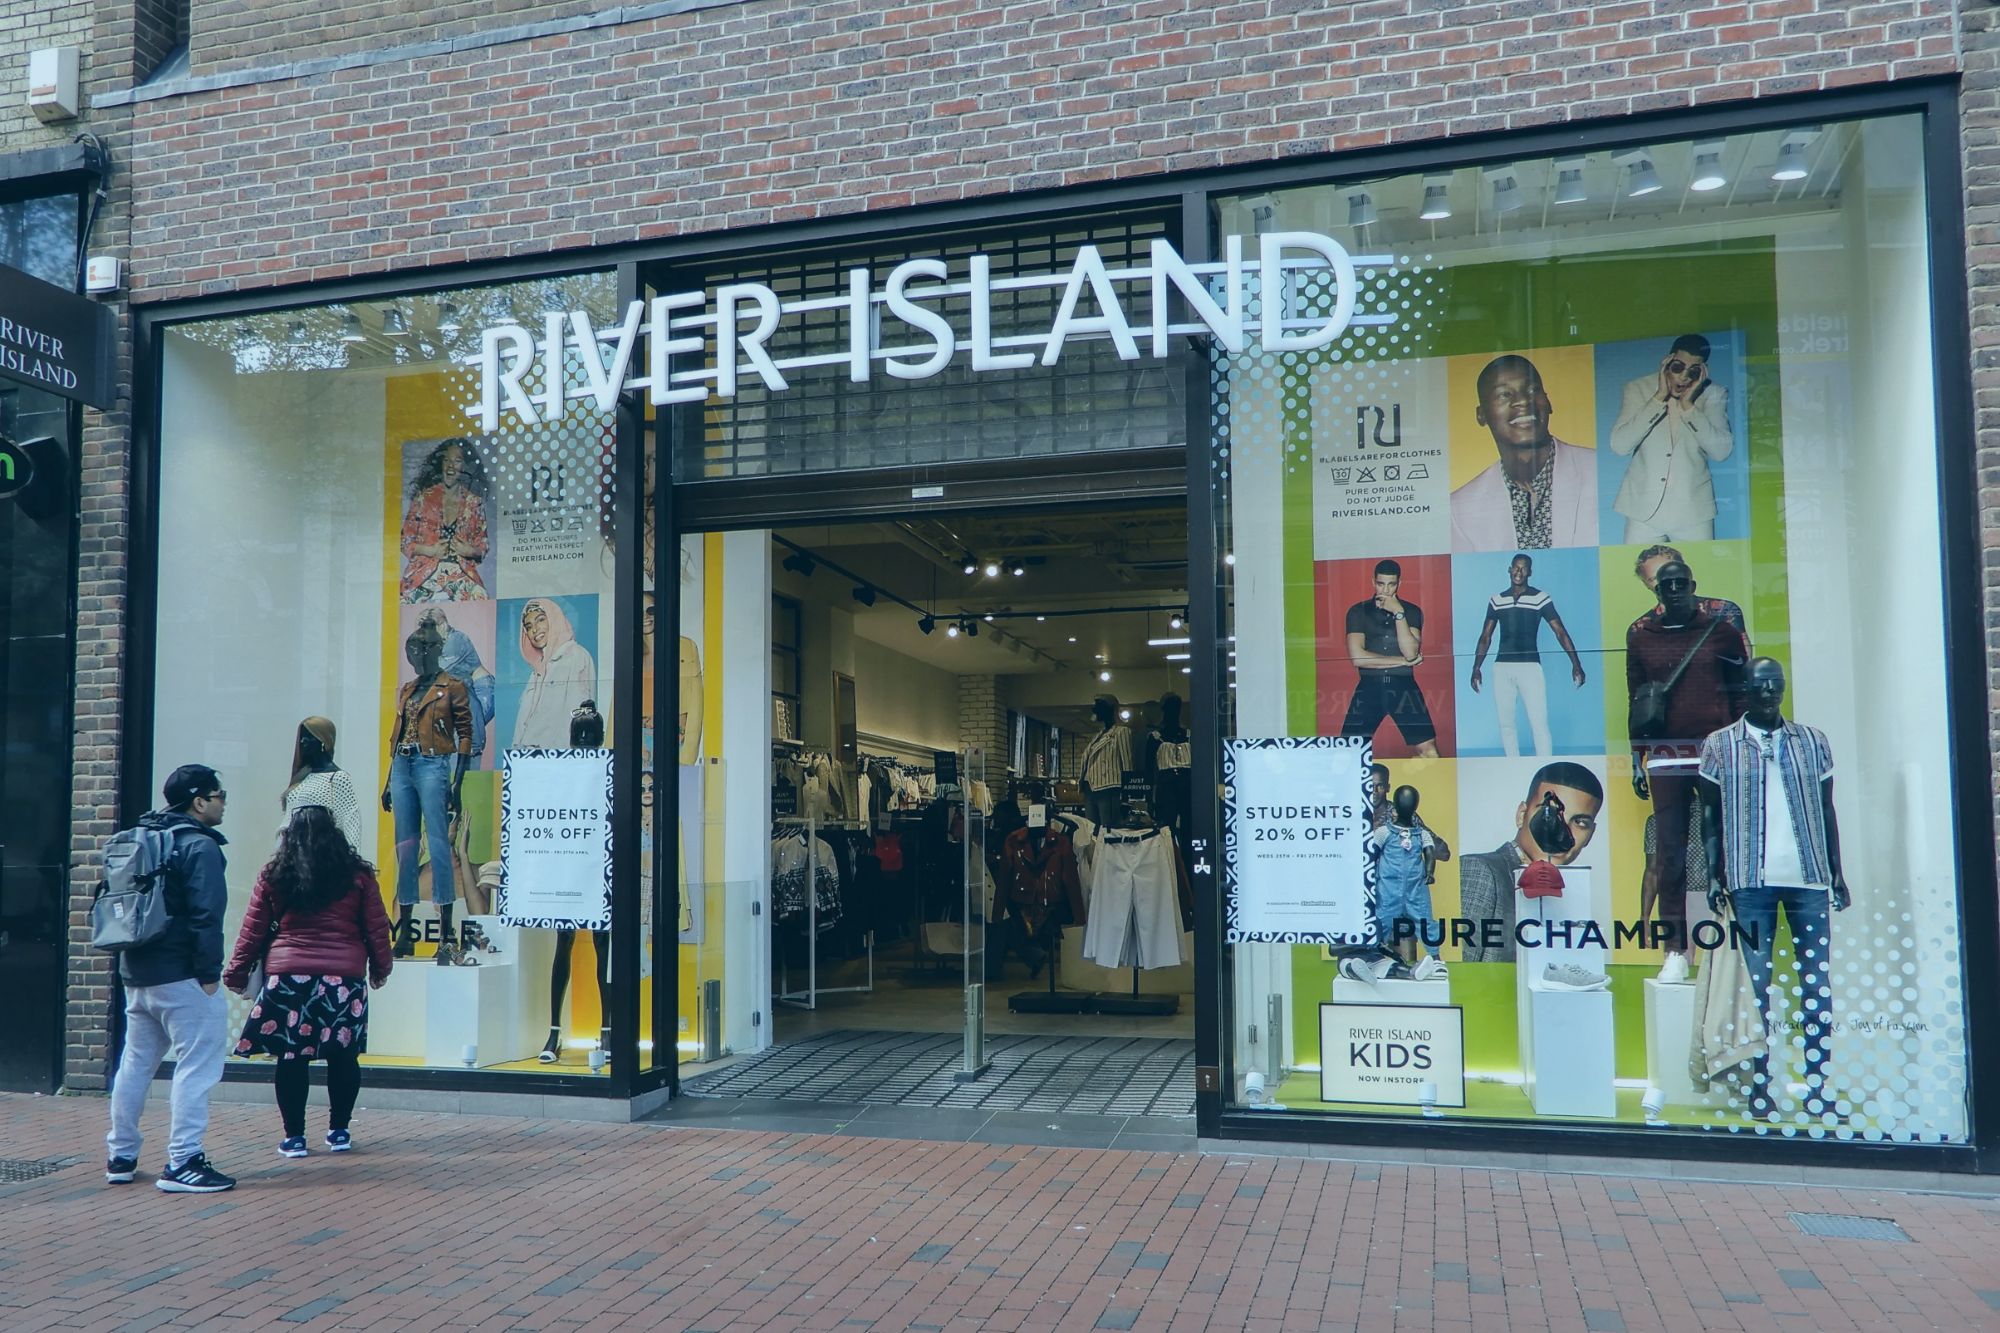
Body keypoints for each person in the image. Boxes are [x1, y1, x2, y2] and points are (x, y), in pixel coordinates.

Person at [1697, 657, 1847, 1120]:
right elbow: (1709, 818)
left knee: (1816, 986)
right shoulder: (1719, 745)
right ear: (1744, 689)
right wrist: (1716, 875)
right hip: (1749, 883)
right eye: (1760, 686)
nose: (1768, 694)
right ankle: (1761, 1086)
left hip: (1809, 880)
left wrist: (1837, 873)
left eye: (1774, 686)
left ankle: (1818, 1086)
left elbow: (1827, 810)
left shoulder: (1811, 742)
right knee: (1755, 989)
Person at [224, 804, 394, 1158]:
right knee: (344, 1057)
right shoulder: (357, 875)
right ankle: (339, 1130)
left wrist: (236, 973)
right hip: (343, 980)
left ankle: (295, 1137)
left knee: (291, 1056)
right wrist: (381, 968)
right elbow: (376, 928)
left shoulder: (275, 874)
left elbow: (252, 930)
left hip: (288, 978)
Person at [104, 764, 236, 1194]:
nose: (223, 803)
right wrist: (209, 975)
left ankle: (121, 1155)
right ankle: (183, 1161)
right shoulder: (199, 847)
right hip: (183, 976)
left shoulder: (141, 838)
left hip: (137, 972)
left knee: (135, 1064)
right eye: (219, 796)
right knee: (196, 1068)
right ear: (199, 801)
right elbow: (206, 915)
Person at [1627, 560, 1750, 982]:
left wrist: (1742, 751)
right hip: (1665, 754)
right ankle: (1676, 950)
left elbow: (1741, 697)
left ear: (1694, 586)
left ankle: (1730, 935)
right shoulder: (1641, 636)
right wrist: (1636, 756)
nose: (1675, 590)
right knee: (1670, 854)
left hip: (1716, 752)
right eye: (1667, 585)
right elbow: (1637, 698)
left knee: (1726, 847)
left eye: (1682, 583)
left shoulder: (1722, 633)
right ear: (1657, 592)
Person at [1457, 761, 1604, 964]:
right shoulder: (1480, 871)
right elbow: (1461, 975)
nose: (1560, 831)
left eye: (1579, 822)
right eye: (1549, 813)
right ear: (1521, 815)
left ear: (1590, 835)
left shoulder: (1569, 897)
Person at [1450, 355, 1598, 550]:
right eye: (1504, 394)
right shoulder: (1459, 507)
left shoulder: (1597, 470)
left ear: (1548, 402)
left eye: (1532, 390)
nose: (1522, 401)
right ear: (1482, 414)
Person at [1607, 334, 1733, 543]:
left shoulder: (1714, 394)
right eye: (1678, 367)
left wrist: (1689, 407)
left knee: (1701, 571)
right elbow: (1620, 446)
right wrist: (1658, 398)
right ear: (1667, 361)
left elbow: (1721, 452)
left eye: (1693, 371)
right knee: (1634, 571)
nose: (1684, 377)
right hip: (1642, 510)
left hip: (1693, 511)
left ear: (1702, 371)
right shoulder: (1638, 389)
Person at [1468, 554, 1587, 758]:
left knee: (1538, 722)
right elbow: (1485, 636)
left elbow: (1560, 632)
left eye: (1523, 569)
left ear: (1530, 572)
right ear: (1509, 569)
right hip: (1502, 668)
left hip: (1530, 667)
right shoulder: (1497, 600)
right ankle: (1512, 765)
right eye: (1516, 568)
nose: (1519, 572)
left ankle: (1544, 765)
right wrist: (1476, 668)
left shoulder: (1540, 598)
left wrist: (1576, 664)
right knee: (1506, 723)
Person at [1340, 560, 1439, 758]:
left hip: (1403, 687)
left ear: (1399, 584)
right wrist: (1402, 661)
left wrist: (1398, 612)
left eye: (1391, 584)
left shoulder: (1411, 611)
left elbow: (1411, 652)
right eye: (1380, 584)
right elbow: (1358, 658)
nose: (1385, 590)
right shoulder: (1358, 611)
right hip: (1369, 687)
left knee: (1429, 752)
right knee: (1346, 753)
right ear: (1373, 582)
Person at [1368, 785, 1445, 980]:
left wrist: (1429, 872)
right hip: (1388, 888)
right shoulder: (1384, 832)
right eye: (1404, 802)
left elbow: (1430, 853)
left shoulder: (1422, 834)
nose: (1406, 806)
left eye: (1410, 803)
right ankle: (1372, 955)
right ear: (1396, 806)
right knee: (1381, 920)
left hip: (1415, 889)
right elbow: (1371, 855)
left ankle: (1435, 959)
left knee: (1425, 922)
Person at [399, 437, 491, 602]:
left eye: (457, 461)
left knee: (482, 600)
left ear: (464, 467)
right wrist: (430, 550)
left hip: (460, 572)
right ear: (440, 464)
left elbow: (483, 545)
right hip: (423, 572)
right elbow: (405, 541)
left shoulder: (473, 502)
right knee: (403, 603)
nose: (450, 466)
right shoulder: (423, 499)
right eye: (446, 460)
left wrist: (470, 551)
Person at [512, 598, 598, 748]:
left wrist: (562, 759)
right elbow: (522, 725)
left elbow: (577, 716)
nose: (535, 629)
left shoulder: (577, 656)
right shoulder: (536, 672)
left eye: (540, 620)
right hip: (526, 761)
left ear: (554, 619)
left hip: (558, 760)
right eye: (528, 626)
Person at [1630, 544, 1747, 645]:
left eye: (1671, 571)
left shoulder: (1723, 610)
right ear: (1646, 584)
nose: (1667, 581)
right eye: (1655, 578)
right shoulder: (1640, 628)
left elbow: (1742, 661)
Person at [281, 717, 364, 852]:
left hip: (323, 858)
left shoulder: (337, 778)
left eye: (308, 737)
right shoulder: (301, 778)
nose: (303, 742)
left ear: (323, 741)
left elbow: (351, 822)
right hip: (293, 856)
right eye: (301, 737)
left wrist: (353, 865)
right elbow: (286, 822)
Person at [424, 606, 495, 764]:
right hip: (467, 693)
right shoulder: (440, 643)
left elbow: (436, 671)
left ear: (442, 625)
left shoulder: (456, 640)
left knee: (464, 744)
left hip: (482, 692)